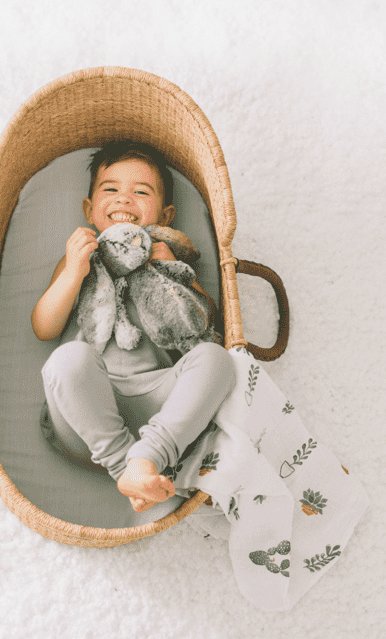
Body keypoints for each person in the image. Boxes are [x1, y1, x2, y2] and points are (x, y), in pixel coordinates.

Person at [32, 141, 235, 512]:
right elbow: (44, 328)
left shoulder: (168, 259)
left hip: (161, 415)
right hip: (85, 421)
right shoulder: (79, 260)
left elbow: (205, 321)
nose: (124, 199)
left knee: (217, 359)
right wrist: (74, 271)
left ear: (166, 215)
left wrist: (178, 273)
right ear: (89, 209)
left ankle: (144, 461)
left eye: (140, 192)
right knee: (68, 358)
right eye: (111, 190)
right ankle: (126, 466)